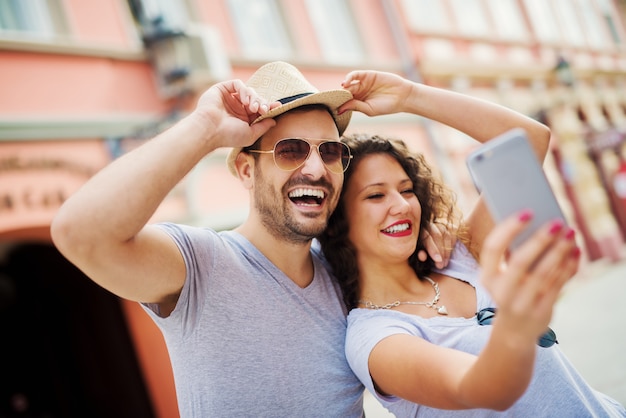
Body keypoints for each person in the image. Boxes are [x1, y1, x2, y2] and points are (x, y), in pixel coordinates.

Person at [49, 61, 451, 417]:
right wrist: (206, 128)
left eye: (330, 151)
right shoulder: (200, 264)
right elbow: (80, 235)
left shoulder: (347, 274)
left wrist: (428, 238)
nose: (316, 167)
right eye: (290, 150)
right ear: (245, 171)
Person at [319, 70, 626, 416]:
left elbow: (527, 139)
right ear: (338, 223)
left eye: (407, 190)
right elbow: (475, 387)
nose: (402, 205)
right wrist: (517, 320)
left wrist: (409, 97)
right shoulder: (374, 339)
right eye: (375, 195)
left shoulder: (459, 255)